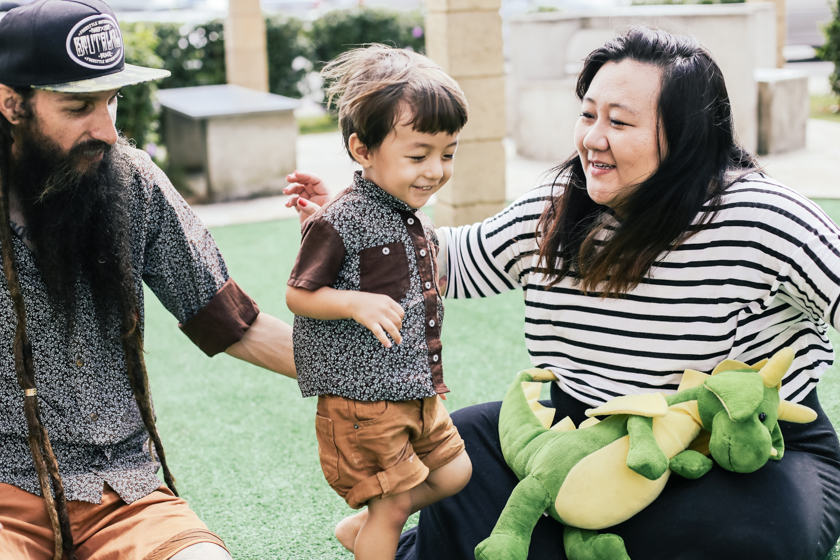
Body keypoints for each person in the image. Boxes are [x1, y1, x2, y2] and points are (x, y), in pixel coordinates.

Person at [288, 28, 840, 560]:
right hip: (573, 435)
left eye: (619, 121)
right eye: (587, 114)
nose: (592, 138)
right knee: (457, 462)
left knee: (759, 535)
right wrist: (357, 220)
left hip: (736, 450)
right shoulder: (558, 206)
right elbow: (444, 262)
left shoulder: (764, 218)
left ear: (687, 135)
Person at [0, 1, 295, 559]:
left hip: (126, 493)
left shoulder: (131, 182)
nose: (107, 131)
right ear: (11, 103)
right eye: (78, 106)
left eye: (111, 101)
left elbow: (229, 322)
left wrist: (369, 373)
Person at [285, 45, 472, 560]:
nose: (435, 170)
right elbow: (298, 294)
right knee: (391, 510)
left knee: (456, 472)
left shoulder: (403, 212)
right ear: (362, 150)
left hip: (414, 389)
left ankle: (362, 532)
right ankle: (375, 535)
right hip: (364, 403)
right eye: (418, 155)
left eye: (448, 153)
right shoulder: (341, 219)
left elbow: (366, 246)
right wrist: (354, 303)